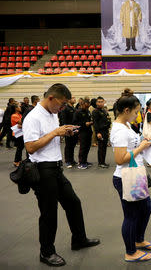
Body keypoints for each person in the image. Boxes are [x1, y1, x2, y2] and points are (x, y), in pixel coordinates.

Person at [23, 83, 100, 267]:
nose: (63, 107)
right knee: (49, 213)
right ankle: (46, 252)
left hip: (56, 168)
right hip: (42, 170)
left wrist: (64, 131)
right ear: (51, 98)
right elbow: (31, 147)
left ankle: (79, 239)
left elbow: (50, 137)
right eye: (62, 103)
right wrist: (55, 132)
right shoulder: (33, 117)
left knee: (73, 203)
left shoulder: (53, 113)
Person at [110, 94, 151, 263]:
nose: (138, 115)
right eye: (136, 112)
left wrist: (143, 144)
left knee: (146, 207)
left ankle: (138, 239)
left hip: (135, 173)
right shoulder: (119, 130)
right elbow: (120, 158)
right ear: (126, 110)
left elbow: (131, 149)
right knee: (131, 215)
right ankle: (131, 252)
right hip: (126, 177)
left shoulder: (127, 125)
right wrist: (141, 147)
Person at [74, 97, 93, 170]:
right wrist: (84, 124)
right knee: (83, 147)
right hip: (82, 132)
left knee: (87, 147)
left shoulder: (87, 111)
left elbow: (89, 119)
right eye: (87, 104)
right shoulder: (78, 112)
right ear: (83, 104)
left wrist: (90, 122)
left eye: (89, 104)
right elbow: (75, 123)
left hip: (88, 131)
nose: (88, 105)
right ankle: (81, 163)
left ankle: (85, 161)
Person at [93, 96, 111, 168]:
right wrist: (98, 133)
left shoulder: (104, 111)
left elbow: (107, 120)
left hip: (105, 131)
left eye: (101, 102)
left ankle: (103, 161)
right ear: (96, 103)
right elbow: (95, 123)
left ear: (104, 102)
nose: (100, 103)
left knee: (104, 148)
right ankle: (100, 162)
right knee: (101, 148)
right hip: (100, 131)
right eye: (99, 102)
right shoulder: (95, 111)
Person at [59, 96, 78, 168]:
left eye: (74, 98)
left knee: (72, 145)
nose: (74, 99)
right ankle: (67, 161)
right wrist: (67, 130)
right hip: (68, 130)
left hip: (74, 129)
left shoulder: (74, 108)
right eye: (73, 98)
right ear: (69, 100)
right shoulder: (65, 108)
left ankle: (72, 160)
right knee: (68, 146)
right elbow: (63, 121)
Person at [10, 103, 24, 167]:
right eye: (19, 107)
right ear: (16, 108)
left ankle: (19, 160)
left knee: (21, 147)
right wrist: (22, 124)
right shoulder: (14, 115)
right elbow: (21, 122)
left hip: (21, 133)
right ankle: (16, 161)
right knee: (19, 148)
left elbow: (22, 124)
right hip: (17, 133)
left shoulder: (20, 115)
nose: (20, 108)